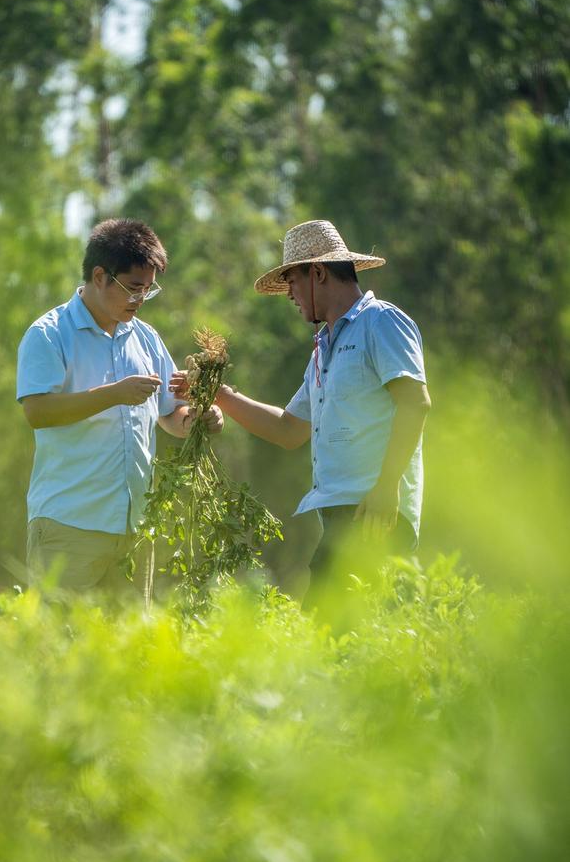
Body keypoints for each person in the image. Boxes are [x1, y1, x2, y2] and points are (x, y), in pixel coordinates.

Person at [172, 219, 430, 601]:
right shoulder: (324, 349)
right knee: (349, 642)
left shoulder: (380, 322)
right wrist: (218, 395)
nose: (290, 294)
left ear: (318, 273)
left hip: (375, 513)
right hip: (342, 514)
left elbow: (415, 402)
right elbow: (289, 429)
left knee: (344, 634)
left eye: (292, 281)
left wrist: (386, 487)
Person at [17, 217, 222, 597]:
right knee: (61, 648)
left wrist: (198, 419)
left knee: (128, 653)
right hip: (69, 525)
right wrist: (113, 393)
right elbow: (38, 411)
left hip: (134, 529)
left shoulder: (145, 338)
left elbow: (170, 414)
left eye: (148, 290)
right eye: (132, 288)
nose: (140, 299)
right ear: (99, 276)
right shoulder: (49, 334)